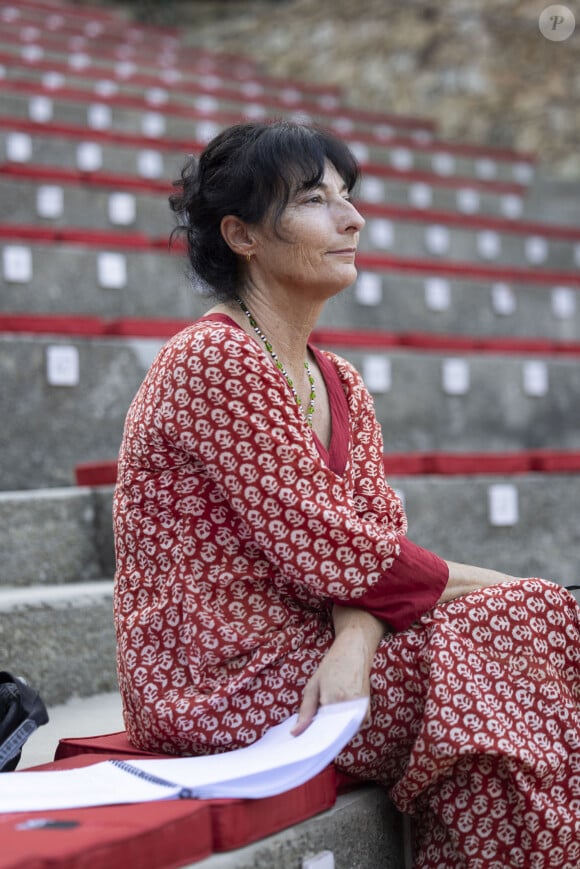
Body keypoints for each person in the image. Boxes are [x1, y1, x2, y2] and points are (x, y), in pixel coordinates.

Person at [113, 120, 580, 868]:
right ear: (242, 235)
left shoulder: (341, 383)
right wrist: (524, 586)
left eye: (348, 196)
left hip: (313, 656)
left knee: (506, 663)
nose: (352, 218)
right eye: (314, 199)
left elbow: (369, 541)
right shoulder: (213, 358)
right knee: (526, 623)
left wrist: (354, 643)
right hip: (218, 685)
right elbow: (339, 550)